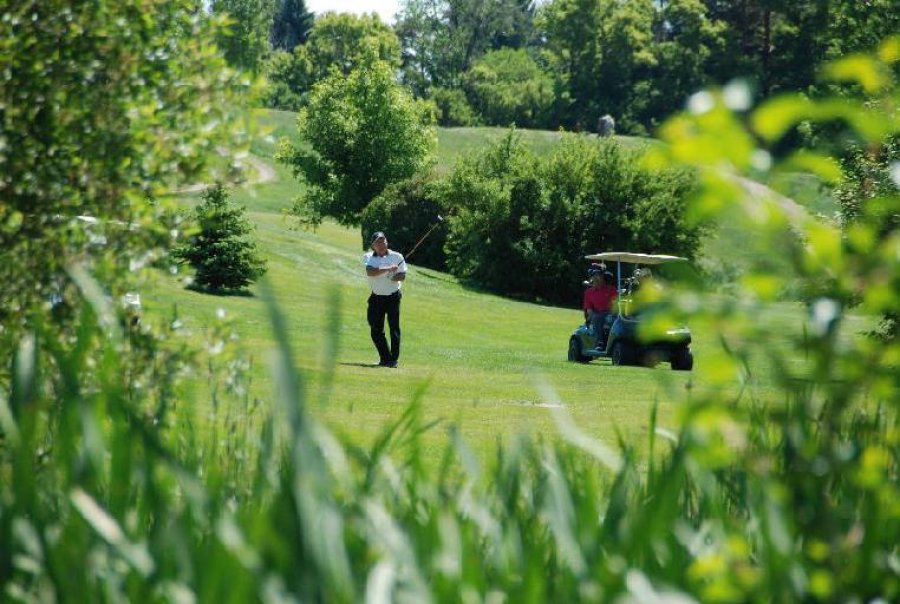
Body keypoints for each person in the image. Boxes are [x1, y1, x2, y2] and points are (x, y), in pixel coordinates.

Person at [364, 231, 407, 367]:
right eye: (378, 242)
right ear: (373, 246)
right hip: (376, 297)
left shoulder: (397, 256)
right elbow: (370, 271)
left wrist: (394, 277)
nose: (381, 244)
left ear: (387, 242)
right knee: (375, 328)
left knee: (394, 328)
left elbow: (402, 275)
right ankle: (385, 358)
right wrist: (388, 268)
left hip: (393, 296)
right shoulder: (369, 257)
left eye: (383, 241)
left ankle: (393, 360)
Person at [583, 269, 617, 349]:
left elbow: (615, 305)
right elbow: (589, 310)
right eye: (594, 278)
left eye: (599, 277)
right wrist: (589, 319)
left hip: (611, 313)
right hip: (597, 314)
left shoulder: (611, 289)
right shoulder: (589, 292)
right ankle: (600, 342)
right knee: (597, 317)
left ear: (603, 279)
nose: (596, 280)